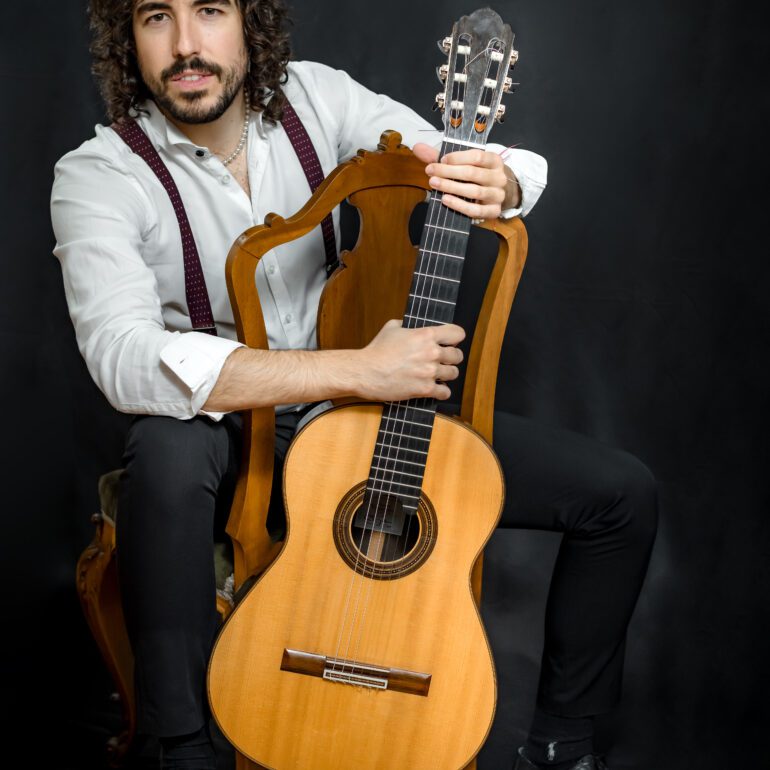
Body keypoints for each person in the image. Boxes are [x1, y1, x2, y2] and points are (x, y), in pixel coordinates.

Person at [50, 1, 658, 768]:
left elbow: (476, 156)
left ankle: (561, 744)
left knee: (620, 496)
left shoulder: (317, 101)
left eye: (209, 10)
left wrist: (498, 179)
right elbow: (124, 356)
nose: (186, 45)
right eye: (155, 17)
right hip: (235, 444)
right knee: (164, 448)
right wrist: (361, 368)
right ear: (125, 40)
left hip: (365, 433)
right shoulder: (100, 174)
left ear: (250, 23)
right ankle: (182, 746)